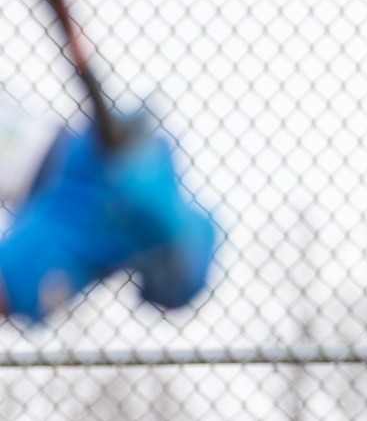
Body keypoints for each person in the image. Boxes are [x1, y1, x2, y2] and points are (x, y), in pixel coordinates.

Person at [0, 97, 215, 323]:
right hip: (46, 162)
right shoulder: (158, 210)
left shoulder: (157, 208)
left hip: (50, 165)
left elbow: (133, 125)